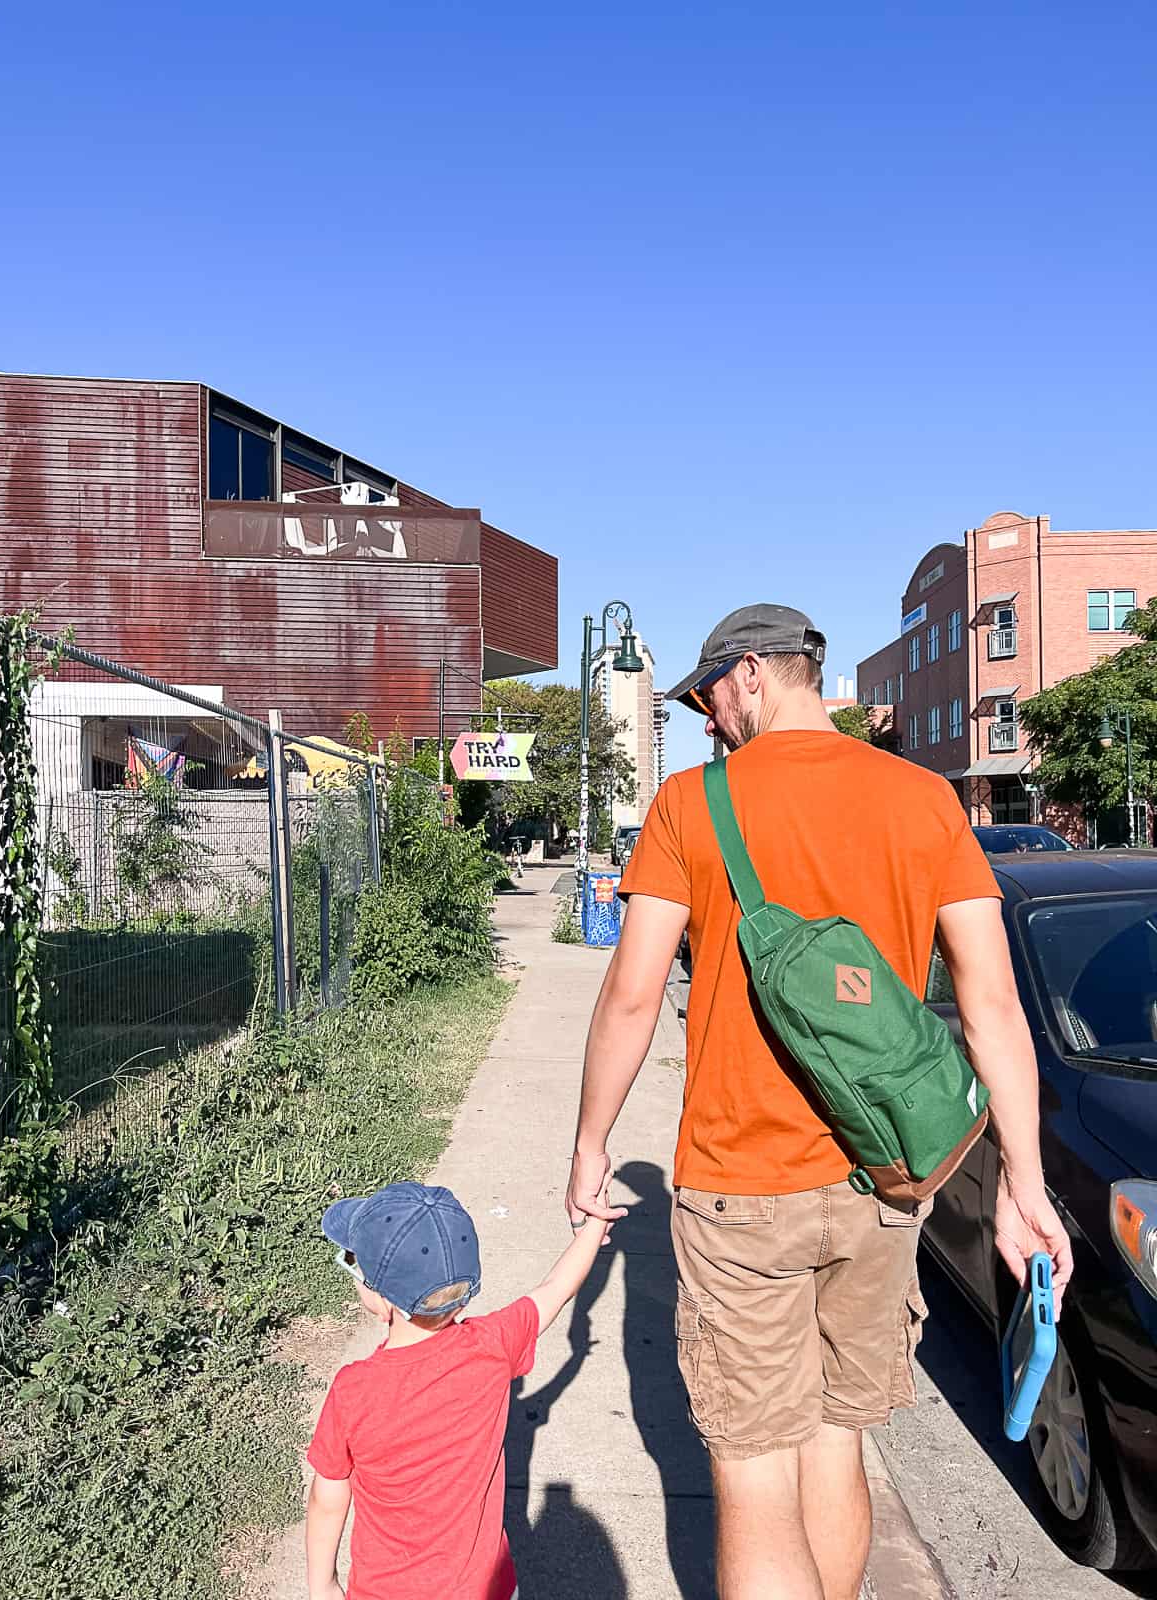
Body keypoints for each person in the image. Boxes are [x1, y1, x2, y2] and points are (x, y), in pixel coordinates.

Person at [564, 603, 1073, 1600]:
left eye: (708, 696)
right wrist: (1024, 1179)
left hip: (737, 1189)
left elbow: (630, 991)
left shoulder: (688, 805)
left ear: (752, 673)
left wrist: (591, 1144)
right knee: (838, 1445)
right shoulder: (925, 799)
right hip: (885, 1183)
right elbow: (993, 1000)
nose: (707, 721)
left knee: (754, 1477)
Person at [304, 1177, 612, 1600]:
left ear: (380, 1298)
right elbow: (554, 1290)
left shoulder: (354, 1390)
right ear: (462, 1296)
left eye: (353, 1262)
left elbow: (328, 1496)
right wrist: (593, 1226)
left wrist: (323, 1585)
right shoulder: (493, 1347)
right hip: (486, 1588)